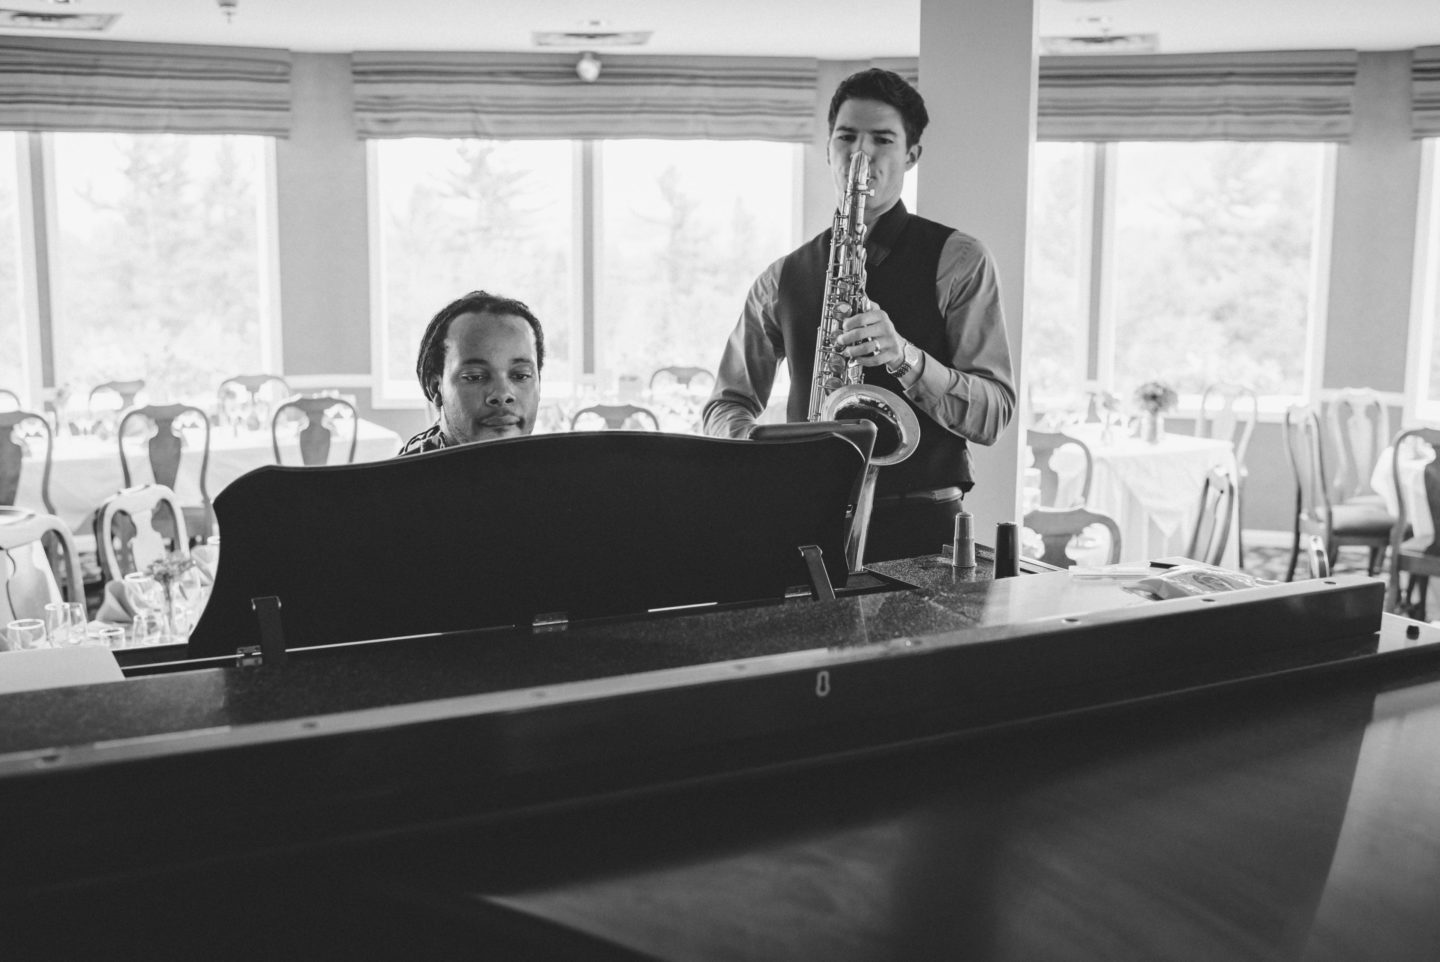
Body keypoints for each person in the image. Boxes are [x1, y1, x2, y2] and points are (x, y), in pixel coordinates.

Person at [703, 67, 1015, 562]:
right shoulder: (779, 277)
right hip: (809, 524)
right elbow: (724, 405)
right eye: (846, 137)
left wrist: (907, 359)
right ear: (828, 148)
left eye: (882, 140)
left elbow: (994, 415)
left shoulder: (961, 259)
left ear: (911, 156)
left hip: (925, 532)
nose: (860, 155)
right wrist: (764, 455)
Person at [398, 290, 545, 455]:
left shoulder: (565, 473)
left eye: (521, 376)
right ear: (435, 388)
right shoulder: (400, 479)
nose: (502, 394)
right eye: (475, 377)